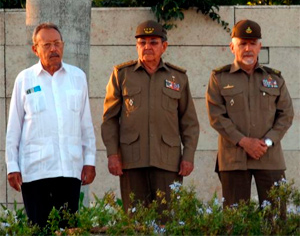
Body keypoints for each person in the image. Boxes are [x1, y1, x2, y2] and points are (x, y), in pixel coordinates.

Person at [101, 20, 199, 218]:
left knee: (168, 218)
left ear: (164, 46)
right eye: (142, 42)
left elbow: (189, 122)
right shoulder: (122, 75)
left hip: (168, 161)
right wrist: (112, 154)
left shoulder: (177, 77)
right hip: (131, 160)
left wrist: (188, 156)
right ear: (137, 46)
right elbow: (109, 119)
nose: (147, 47)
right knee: (135, 219)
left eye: (153, 42)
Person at [5, 22, 96, 228]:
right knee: (39, 230)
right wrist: (12, 166)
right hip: (36, 170)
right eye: (46, 45)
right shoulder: (24, 79)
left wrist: (89, 160)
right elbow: (14, 128)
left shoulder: (77, 77)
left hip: (69, 169)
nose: (53, 49)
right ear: (35, 49)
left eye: (57, 43)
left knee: (68, 229)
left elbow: (85, 124)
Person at [206, 19, 294, 208]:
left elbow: (286, 114)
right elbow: (216, 116)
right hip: (234, 159)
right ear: (232, 47)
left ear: (259, 47)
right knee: (236, 220)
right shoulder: (219, 78)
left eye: (252, 43)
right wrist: (245, 142)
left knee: (276, 219)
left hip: (269, 157)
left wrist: (267, 142)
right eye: (242, 43)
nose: (247, 48)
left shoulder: (274, 78)